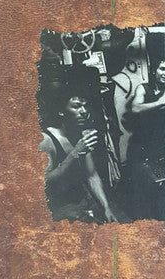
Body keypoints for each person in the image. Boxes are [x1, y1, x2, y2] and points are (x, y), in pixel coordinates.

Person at [40, 92, 118, 223]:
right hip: (57, 206)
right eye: (76, 106)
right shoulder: (46, 139)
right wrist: (75, 153)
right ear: (61, 111)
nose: (84, 111)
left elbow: (91, 175)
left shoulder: (79, 134)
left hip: (81, 200)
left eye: (85, 106)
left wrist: (106, 208)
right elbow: (44, 181)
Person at [125, 55, 165, 220]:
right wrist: (162, 103)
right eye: (162, 69)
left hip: (162, 144)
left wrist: (155, 104)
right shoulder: (143, 88)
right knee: (141, 187)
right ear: (154, 70)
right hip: (141, 144)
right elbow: (135, 109)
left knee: (162, 187)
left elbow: (145, 107)